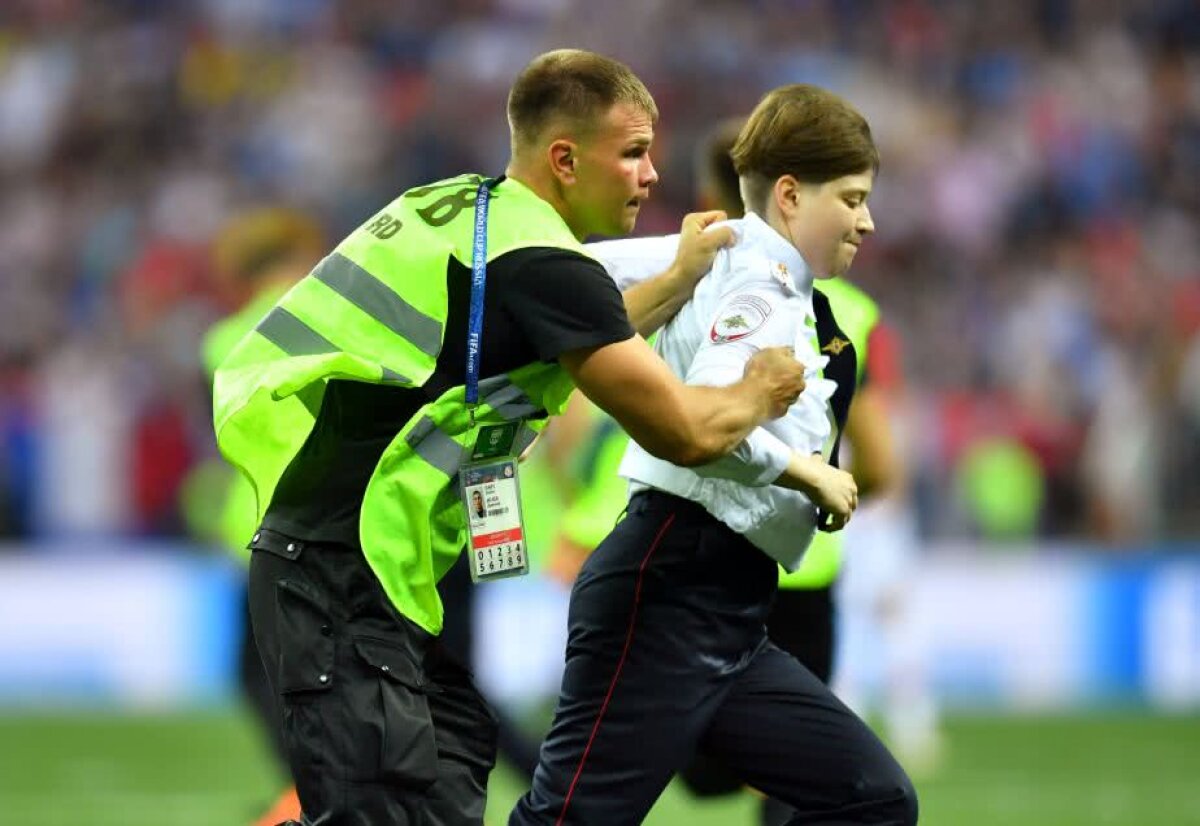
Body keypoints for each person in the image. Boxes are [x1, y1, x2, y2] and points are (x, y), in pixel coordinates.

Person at [212, 49, 807, 826]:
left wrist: (679, 279)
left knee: (447, 781)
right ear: (565, 158)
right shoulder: (544, 263)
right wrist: (761, 390)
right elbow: (685, 431)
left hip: (356, 563)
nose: (651, 175)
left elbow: (563, 333)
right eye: (632, 153)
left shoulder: (463, 207)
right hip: (341, 571)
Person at [511, 84, 917, 826]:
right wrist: (810, 473)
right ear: (790, 195)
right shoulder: (759, 289)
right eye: (852, 198)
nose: (867, 219)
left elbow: (573, 267)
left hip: (725, 607)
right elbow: (706, 425)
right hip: (669, 586)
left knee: (874, 799)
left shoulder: (726, 258)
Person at [187, 206, 325, 826]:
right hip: (329, 522)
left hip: (260, 531)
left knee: (260, 674)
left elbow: (224, 438)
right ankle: (310, 789)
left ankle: (311, 790)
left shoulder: (224, 340)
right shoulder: (333, 320)